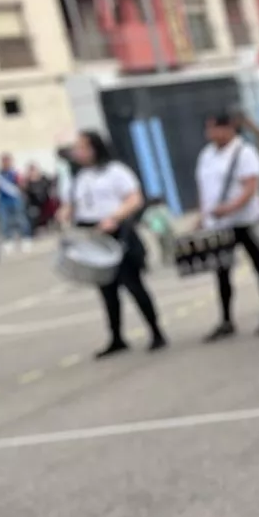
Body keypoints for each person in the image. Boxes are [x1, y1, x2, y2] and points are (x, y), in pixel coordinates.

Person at [66, 130, 167, 358]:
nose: (77, 152)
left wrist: (115, 217)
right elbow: (76, 204)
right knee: (106, 289)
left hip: (116, 233)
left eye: (81, 147)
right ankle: (116, 337)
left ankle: (156, 330)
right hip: (93, 234)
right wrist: (66, 213)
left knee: (133, 284)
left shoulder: (115, 172)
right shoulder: (80, 178)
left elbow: (134, 199)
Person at [196, 113, 259, 342]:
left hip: (246, 219)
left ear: (228, 129)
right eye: (208, 129)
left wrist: (231, 207)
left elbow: (250, 187)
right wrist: (203, 215)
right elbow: (205, 188)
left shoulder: (244, 152)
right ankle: (226, 319)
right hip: (220, 223)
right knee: (221, 271)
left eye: (215, 128)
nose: (211, 134)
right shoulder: (207, 155)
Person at [0, 153, 31, 253]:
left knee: (20, 219)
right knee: (5, 222)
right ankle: (8, 240)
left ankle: (25, 238)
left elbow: (21, 185)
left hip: (15, 199)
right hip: (3, 201)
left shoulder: (15, 173)